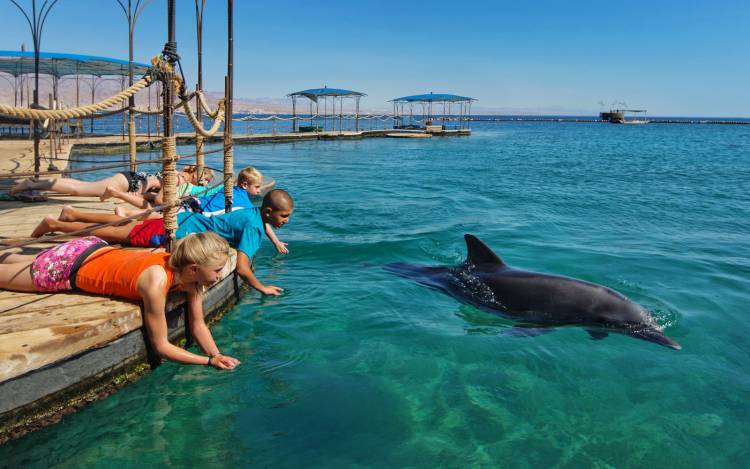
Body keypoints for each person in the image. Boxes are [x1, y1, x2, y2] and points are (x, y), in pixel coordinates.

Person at [0, 232, 241, 369]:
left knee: (14, 264)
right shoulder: (156, 283)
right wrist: (207, 362)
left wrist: (216, 354)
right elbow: (162, 346)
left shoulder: (190, 278)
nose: (220, 275)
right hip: (66, 267)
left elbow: (198, 324)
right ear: (193, 268)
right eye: (217, 270)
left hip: (91, 249)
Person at [30, 189, 295, 296]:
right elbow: (242, 267)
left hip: (184, 220)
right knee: (116, 234)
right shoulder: (254, 227)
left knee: (125, 226)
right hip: (177, 232)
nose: (286, 221)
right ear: (269, 213)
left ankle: (73, 215)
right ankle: (56, 225)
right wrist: (262, 288)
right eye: (284, 216)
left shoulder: (252, 214)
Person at [11, 170, 162, 197]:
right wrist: (138, 193)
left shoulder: (180, 176)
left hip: (128, 179)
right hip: (128, 183)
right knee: (79, 189)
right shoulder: (179, 178)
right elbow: (152, 182)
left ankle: (36, 183)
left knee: (80, 185)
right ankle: (30, 185)